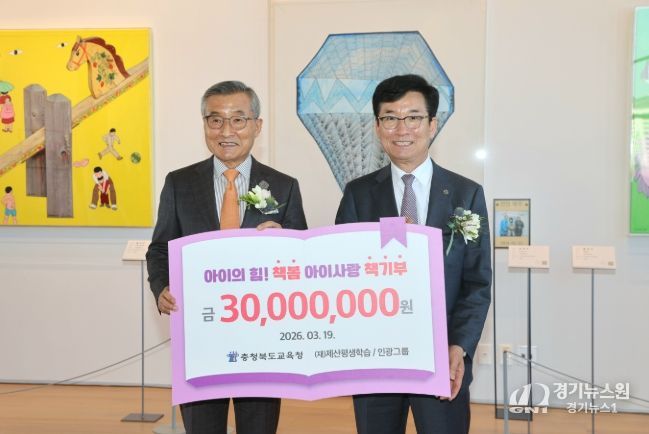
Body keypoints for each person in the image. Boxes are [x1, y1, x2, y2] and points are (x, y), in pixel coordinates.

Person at [146, 80, 307, 434]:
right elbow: (159, 248)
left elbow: (303, 259)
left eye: (238, 119)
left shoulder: (284, 186)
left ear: (257, 125)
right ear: (205, 124)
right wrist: (162, 288)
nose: (226, 131)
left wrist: (285, 243)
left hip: (262, 338)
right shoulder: (179, 183)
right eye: (215, 120)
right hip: (200, 334)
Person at [335, 74, 491, 434]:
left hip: (443, 358)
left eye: (414, 117)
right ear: (377, 126)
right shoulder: (358, 194)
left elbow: (477, 283)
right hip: (376, 359)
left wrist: (459, 347)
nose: (402, 129)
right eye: (390, 117)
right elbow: (342, 274)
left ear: (432, 124)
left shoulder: (466, 194)